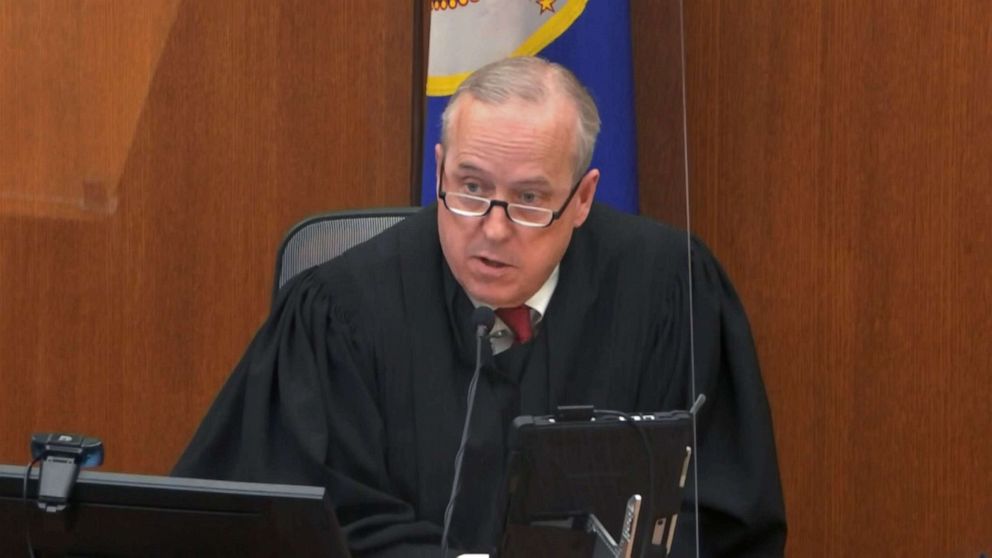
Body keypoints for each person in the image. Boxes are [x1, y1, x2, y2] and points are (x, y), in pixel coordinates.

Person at [174, 56, 786, 557]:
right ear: (438, 170)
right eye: (470, 188)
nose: (493, 229)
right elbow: (295, 519)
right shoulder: (340, 309)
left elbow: (719, 518)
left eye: (528, 198)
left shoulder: (669, 292)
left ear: (582, 198)